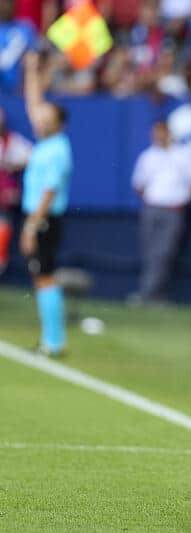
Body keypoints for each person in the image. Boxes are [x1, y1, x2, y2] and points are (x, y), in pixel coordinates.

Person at [19, 51, 72, 356]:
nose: (40, 118)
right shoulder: (48, 143)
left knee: (45, 276)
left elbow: (49, 192)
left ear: (59, 122)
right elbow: (33, 103)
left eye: (47, 116)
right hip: (41, 218)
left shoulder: (57, 151)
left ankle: (54, 341)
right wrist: (31, 70)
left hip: (45, 219)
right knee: (40, 276)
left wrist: (30, 226)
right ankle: (50, 339)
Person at [129, 120, 191, 305]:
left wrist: (184, 201)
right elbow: (139, 184)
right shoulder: (148, 156)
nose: (158, 136)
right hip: (152, 208)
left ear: (169, 133)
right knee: (150, 251)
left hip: (173, 209)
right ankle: (152, 293)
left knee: (164, 252)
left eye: (161, 132)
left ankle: (150, 294)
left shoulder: (182, 155)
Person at [0, 106, 32, 274]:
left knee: (2, 228)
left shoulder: (12, 141)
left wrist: (11, 165)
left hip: (4, 198)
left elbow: (32, 157)